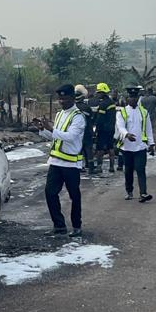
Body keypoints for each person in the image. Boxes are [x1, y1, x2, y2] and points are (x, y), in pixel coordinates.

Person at [35, 84, 86, 237]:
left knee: (74, 196)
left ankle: (77, 226)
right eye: (60, 98)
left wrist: (51, 129)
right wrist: (42, 129)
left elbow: (70, 137)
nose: (61, 101)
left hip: (71, 164)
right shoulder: (59, 115)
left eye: (64, 98)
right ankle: (59, 226)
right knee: (50, 193)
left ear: (72, 98)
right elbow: (54, 137)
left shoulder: (78, 117)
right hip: (56, 162)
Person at [117, 88, 155, 202]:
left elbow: (148, 129)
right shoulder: (121, 112)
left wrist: (151, 143)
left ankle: (143, 193)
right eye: (130, 97)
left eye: (134, 97)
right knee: (128, 171)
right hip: (127, 147)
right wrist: (126, 134)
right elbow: (120, 126)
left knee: (140, 169)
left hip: (140, 146)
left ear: (138, 98)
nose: (132, 99)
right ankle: (129, 191)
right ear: (127, 99)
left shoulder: (144, 112)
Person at [92, 83, 118, 173]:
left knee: (100, 148)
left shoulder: (103, 104)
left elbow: (100, 119)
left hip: (103, 129)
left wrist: (96, 131)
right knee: (110, 147)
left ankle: (99, 167)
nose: (97, 94)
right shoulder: (112, 102)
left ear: (103, 93)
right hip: (111, 129)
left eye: (99, 92)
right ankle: (111, 167)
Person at [74, 84, 95, 175]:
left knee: (79, 150)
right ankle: (91, 167)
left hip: (77, 133)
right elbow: (92, 118)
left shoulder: (73, 108)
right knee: (88, 149)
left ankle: (79, 167)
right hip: (87, 131)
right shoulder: (87, 108)